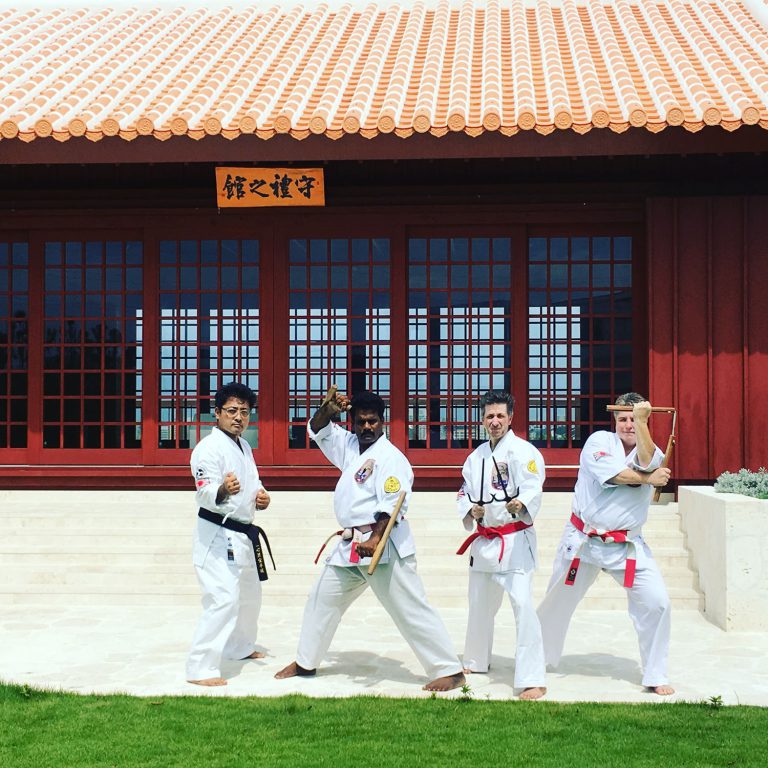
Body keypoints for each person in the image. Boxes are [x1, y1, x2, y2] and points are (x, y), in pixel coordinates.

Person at [275, 388, 465, 692]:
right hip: (351, 545)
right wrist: (325, 410)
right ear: (352, 422)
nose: (367, 427)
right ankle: (306, 661)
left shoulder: (391, 458)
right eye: (361, 422)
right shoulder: (350, 446)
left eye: (373, 422)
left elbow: (393, 503)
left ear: (382, 422)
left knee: (409, 607)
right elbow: (319, 431)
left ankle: (450, 670)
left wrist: (376, 539)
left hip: (384, 544)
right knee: (321, 600)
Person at [537, 392, 674, 695]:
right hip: (584, 541)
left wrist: (642, 424)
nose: (628, 425)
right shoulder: (598, 442)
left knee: (657, 602)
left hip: (627, 545)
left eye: (634, 419)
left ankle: (655, 673)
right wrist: (648, 479)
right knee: (555, 603)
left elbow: (649, 460)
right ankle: (536, 664)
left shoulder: (651, 448)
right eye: (623, 419)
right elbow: (618, 476)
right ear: (614, 421)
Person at [456, 390, 547, 700]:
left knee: (522, 607)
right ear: (482, 419)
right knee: (479, 604)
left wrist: (521, 502)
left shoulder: (525, 452)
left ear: (511, 418)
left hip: (514, 539)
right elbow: (462, 491)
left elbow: (535, 486)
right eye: (489, 416)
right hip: (484, 540)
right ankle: (476, 660)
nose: (494, 421)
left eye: (500, 416)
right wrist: (470, 509)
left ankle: (532, 676)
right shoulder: (474, 457)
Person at [186, 381, 272, 686]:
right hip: (217, 533)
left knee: (250, 596)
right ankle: (200, 667)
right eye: (232, 411)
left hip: (243, 532)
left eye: (245, 412)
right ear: (217, 413)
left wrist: (261, 497)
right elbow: (204, 491)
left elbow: (255, 483)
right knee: (222, 598)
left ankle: (239, 647)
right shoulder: (207, 449)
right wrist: (223, 489)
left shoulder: (244, 446)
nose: (239, 417)